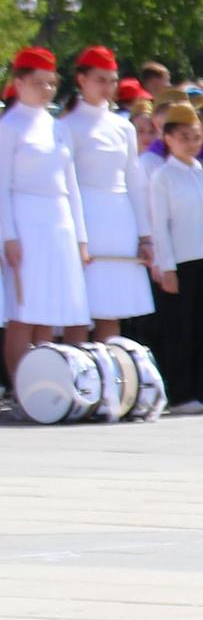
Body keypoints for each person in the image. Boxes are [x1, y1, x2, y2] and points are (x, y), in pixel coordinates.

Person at [2, 47, 91, 382]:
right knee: (24, 311)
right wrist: (8, 236)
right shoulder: (9, 126)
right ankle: (22, 386)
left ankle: (48, 385)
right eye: (39, 83)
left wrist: (81, 238)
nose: (47, 90)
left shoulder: (59, 127)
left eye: (51, 83)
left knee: (51, 309)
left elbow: (72, 187)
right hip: (26, 222)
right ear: (19, 83)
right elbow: (1, 188)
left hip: (59, 222)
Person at [143, 101, 203, 413]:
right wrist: (167, 267)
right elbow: (160, 226)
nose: (191, 143)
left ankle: (202, 390)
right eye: (184, 137)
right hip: (181, 262)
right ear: (168, 139)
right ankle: (181, 394)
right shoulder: (163, 176)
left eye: (195, 137)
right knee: (181, 330)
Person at [61, 46, 149, 342]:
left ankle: (110, 381)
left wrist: (144, 236)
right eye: (100, 79)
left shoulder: (124, 127)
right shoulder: (65, 125)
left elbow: (134, 180)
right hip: (84, 218)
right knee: (77, 308)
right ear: (81, 80)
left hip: (119, 220)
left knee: (111, 308)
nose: (107, 87)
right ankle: (78, 380)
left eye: (112, 80)